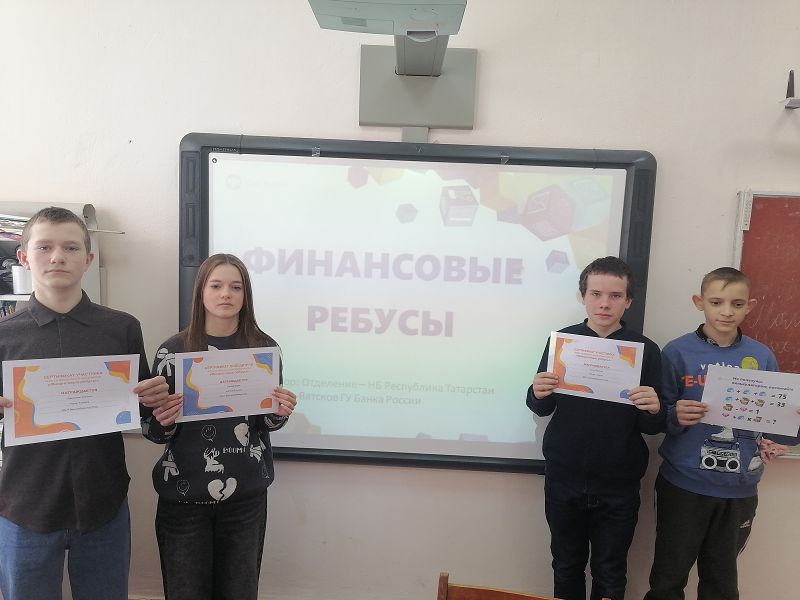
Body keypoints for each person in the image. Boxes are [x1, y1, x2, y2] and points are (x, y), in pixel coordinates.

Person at [0, 206, 171, 600]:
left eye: (71, 248)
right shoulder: (4, 336)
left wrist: (156, 400)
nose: (57, 257)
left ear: (88, 259)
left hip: (102, 504)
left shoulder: (122, 328)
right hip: (25, 505)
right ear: (24, 257)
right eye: (44, 247)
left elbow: (144, 412)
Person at [141, 253, 297, 600]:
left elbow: (265, 424)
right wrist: (164, 421)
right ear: (201, 292)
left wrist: (279, 412)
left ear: (245, 295)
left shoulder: (264, 348)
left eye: (235, 287)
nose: (226, 294)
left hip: (245, 498)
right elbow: (152, 431)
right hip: (183, 498)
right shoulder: (172, 351)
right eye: (216, 285)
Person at [645, 267, 800, 600]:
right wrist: (674, 415)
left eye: (737, 303)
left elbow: (777, 427)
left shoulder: (762, 356)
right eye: (716, 302)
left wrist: (790, 426)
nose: (727, 311)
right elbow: (658, 417)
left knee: (721, 584)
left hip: (738, 489)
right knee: (668, 580)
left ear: (750, 306)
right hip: (683, 485)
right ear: (699, 302)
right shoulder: (676, 352)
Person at [526, 256, 664, 600]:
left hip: (618, 484)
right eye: (596, 294)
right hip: (564, 478)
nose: (604, 303)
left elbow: (651, 427)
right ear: (582, 296)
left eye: (615, 296)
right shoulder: (562, 342)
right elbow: (542, 407)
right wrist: (537, 391)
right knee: (566, 566)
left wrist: (654, 408)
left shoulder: (645, 351)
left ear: (628, 301)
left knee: (611, 571)